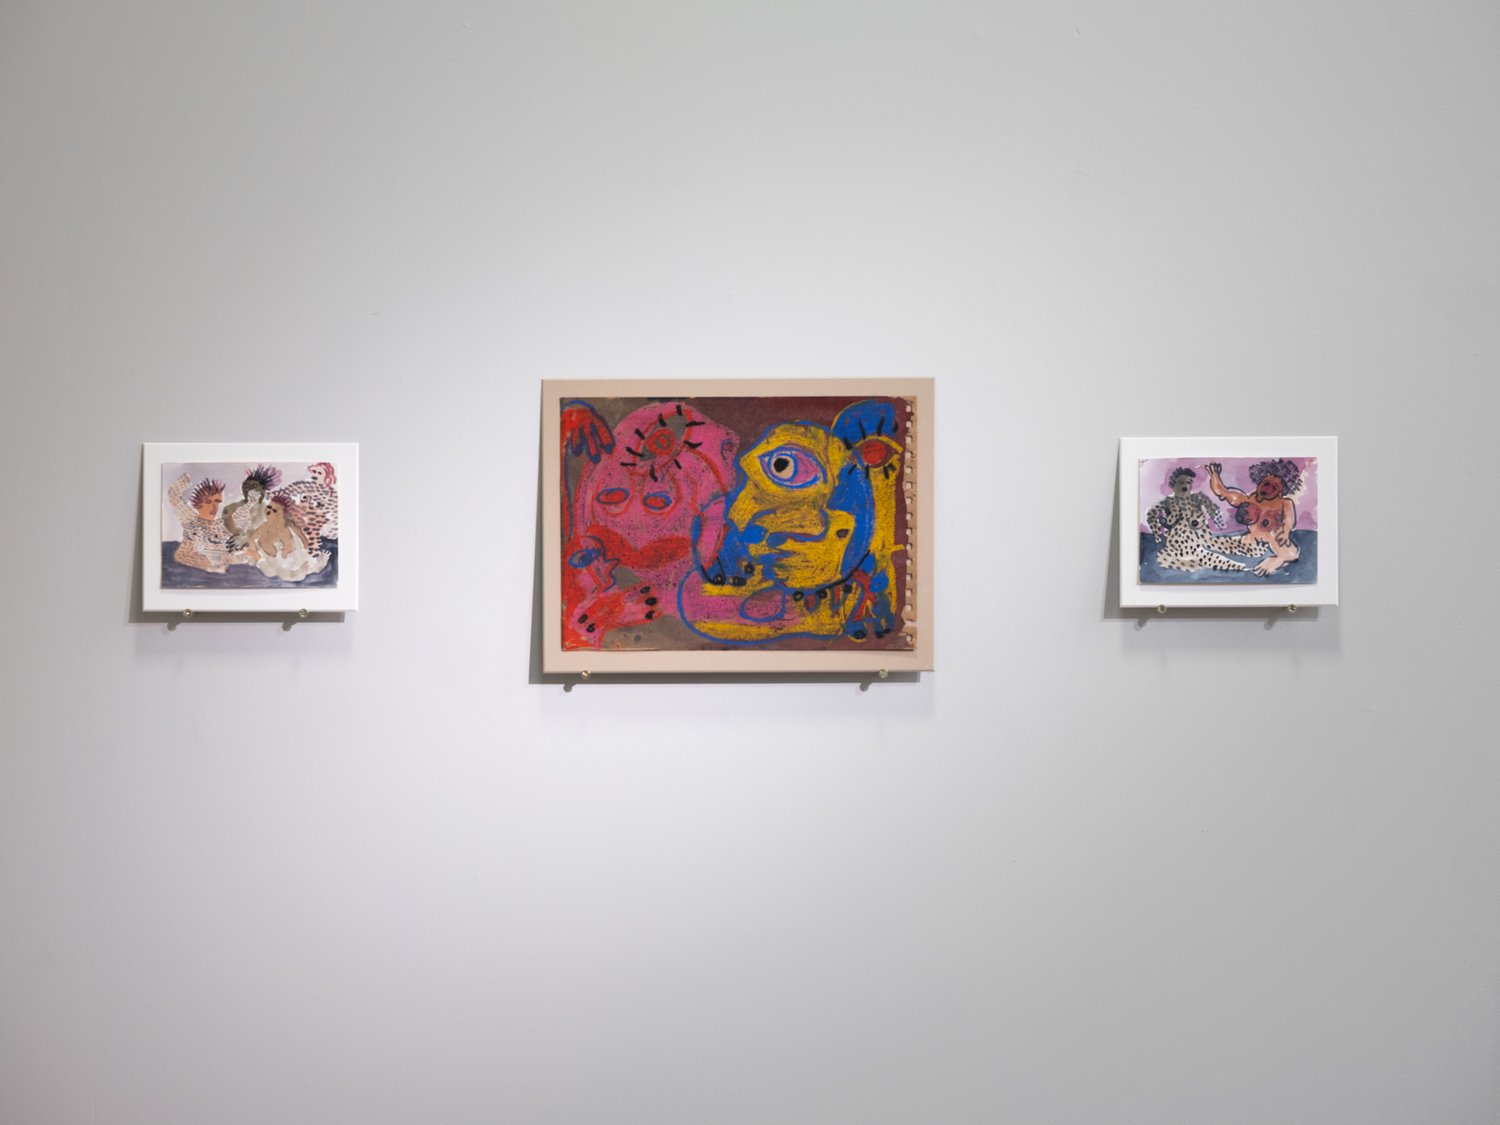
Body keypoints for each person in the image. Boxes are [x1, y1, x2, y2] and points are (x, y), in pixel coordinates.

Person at [1205, 459, 1302, 576]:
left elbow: (1288, 526)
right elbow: (1222, 492)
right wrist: (1214, 475)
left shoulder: (1284, 504)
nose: (1268, 489)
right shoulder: (1248, 500)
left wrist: (1278, 558)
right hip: (1250, 544)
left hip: (1277, 546)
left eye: (1274, 487)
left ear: (1281, 492)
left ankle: (1278, 559)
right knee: (1209, 543)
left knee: (1285, 550)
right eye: (1266, 484)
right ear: (1259, 481)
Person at [1144, 466, 1243, 573]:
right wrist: (1157, 533)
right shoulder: (1167, 502)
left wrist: (1219, 521)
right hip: (1181, 543)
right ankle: (1238, 567)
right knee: (1210, 558)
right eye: (1181, 482)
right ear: (1174, 484)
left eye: (1188, 482)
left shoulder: (1198, 497)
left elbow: (1212, 508)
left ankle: (1239, 557)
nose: (1185, 485)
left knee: (1225, 545)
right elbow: (1151, 513)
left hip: (1203, 538)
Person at [166, 473, 234, 572]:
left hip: (220, 568)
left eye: (217, 502)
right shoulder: (191, 519)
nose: (214, 507)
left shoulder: (220, 525)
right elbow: (173, 496)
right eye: (208, 502)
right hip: (194, 566)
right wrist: (185, 479)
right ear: (198, 504)